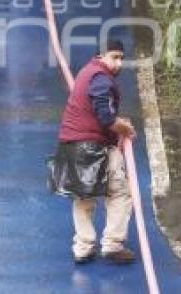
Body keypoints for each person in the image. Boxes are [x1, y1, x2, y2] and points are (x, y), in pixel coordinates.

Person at [49, 40, 137, 264]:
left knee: (83, 196)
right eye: (114, 57)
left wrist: (117, 122)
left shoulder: (87, 72)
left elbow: (99, 110)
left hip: (71, 145)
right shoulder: (101, 79)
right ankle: (113, 244)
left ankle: (83, 247)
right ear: (100, 57)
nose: (118, 63)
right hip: (93, 146)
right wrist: (125, 128)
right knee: (119, 191)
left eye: (121, 59)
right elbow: (105, 118)